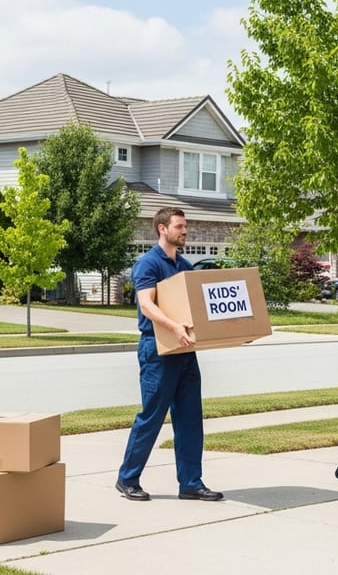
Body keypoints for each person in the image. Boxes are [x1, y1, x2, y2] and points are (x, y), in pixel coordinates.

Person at [114, 207, 223, 502]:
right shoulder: (148, 264)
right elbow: (147, 305)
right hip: (157, 350)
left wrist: (234, 333)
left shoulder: (185, 266)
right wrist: (174, 326)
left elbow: (198, 309)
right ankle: (127, 479)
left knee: (190, 417)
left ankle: (190, 482)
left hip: (185, 349)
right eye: (180, 226)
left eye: (185, 226)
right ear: (162, 228)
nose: (185, 231)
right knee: (151, 416)